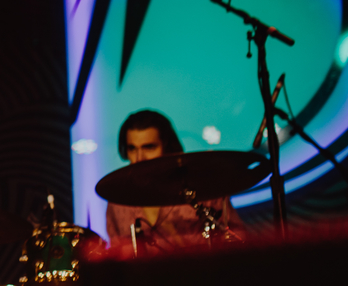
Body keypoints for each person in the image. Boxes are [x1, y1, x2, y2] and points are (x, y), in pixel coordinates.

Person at [105, 110, 245, 257]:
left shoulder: (203, 188)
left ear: (168, 148)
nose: (139, 158)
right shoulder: (118, 200)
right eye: (132, 148)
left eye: (149, 147)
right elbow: (118, 256)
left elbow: (239, 239)